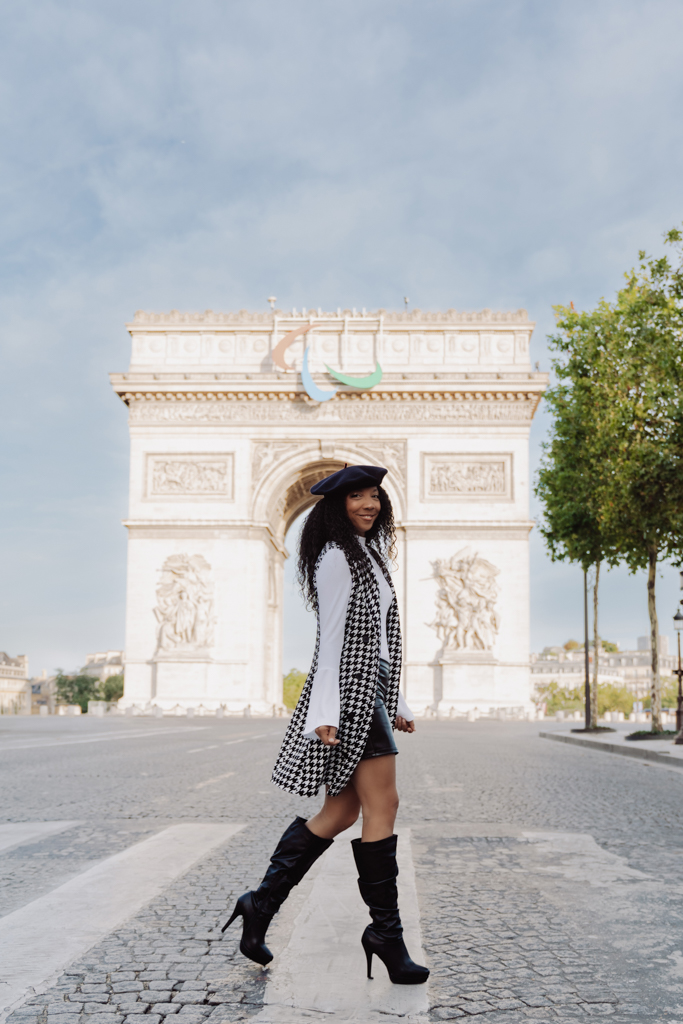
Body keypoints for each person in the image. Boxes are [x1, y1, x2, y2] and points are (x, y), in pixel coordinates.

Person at [222, 464, 429, 986]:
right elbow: (332, 637)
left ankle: (260, 904)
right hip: (352, 694)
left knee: (339, 812)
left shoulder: (371, 556)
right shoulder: (336, 557)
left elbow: (382, 638)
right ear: (335, 506)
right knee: (385, 805)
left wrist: (397, 698)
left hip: (371, 689)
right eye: (356, 495)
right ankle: (387, 934)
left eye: (375, 495)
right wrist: (324, 711)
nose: (369, 503)